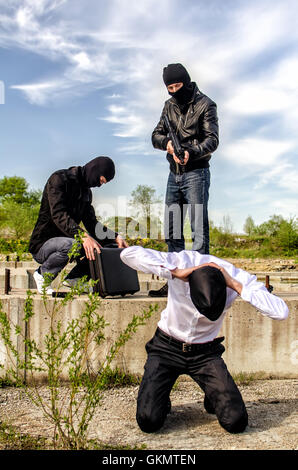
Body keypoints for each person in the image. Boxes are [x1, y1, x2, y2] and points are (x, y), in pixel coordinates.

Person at [120, 246, 289, 434]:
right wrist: (174, 272)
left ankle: (213, 394)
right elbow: (128, 254)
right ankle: (161, 395)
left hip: (205, 355)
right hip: (166, 348)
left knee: (236, 422)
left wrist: (236, 286)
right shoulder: (182, 261)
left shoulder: (237, 277)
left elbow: (281, 312)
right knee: (148, 421)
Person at [149, 63, 219, 297]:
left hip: (197, 173)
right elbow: (155, 135)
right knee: (172, 229)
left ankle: (200, 286)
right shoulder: (168, 106)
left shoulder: (205, 104)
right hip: (173, 175)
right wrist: (167, 144)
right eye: (170, 87)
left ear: (187, 82)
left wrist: (192, 151)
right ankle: (176, 284)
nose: (174, 91)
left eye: (178, 86)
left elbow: (212, 140)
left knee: (198, 230)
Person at [29, 156, 128, 294]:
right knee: (73, 244)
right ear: (94, 170)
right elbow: (59, 215)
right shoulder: (59, 179)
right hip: (43, 244)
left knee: (106, 246)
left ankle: (75, 279)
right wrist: (82, 236)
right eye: (100, 180)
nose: (99, 185)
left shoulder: (86, 193)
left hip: (70, 239)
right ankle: (42, 275)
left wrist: (116, 237)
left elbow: (92, 224)